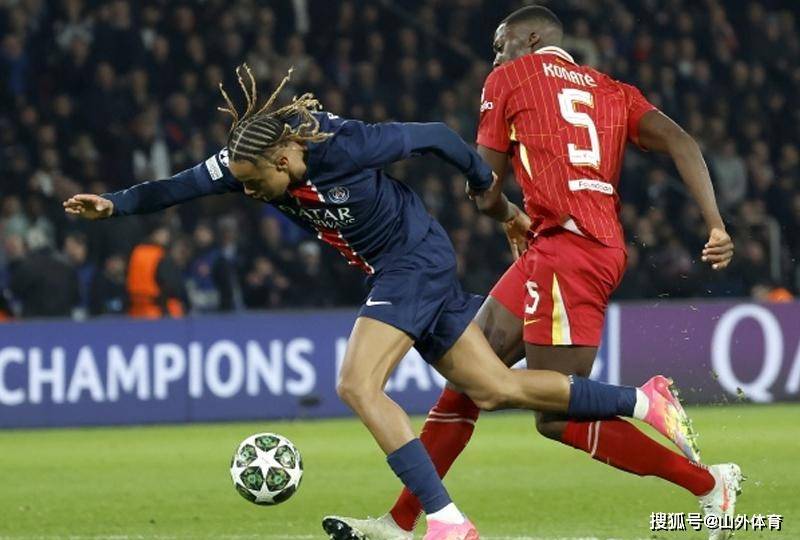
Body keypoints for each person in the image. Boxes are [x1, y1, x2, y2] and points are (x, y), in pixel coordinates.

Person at [64, 65, 696, 540]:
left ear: (286, 156)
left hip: (411, 261)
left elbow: (439, 137)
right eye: (245, 184)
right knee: (496, 388)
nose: (252, 193)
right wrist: (113, 205)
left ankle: (446, 521)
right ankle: (644, 400)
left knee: (357, 384)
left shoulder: (345, 145)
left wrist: (491, 194)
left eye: (259, 184)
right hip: (404, 267)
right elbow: (176, 187)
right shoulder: (244, 161)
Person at [323, 6, 741, 540]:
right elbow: (682, 141)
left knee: (558, 416)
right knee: (468, 377)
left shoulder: (510, 78)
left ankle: (701, 474)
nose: (495, 57)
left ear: (533, 38)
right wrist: (716, 224)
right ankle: (402, 521)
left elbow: (484, 184)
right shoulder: (613, 90)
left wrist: (502, 211)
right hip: (565, 247)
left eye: (501, 45)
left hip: (572, 251)